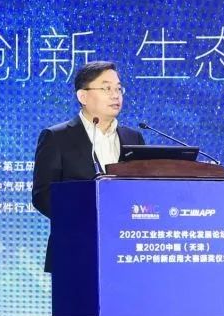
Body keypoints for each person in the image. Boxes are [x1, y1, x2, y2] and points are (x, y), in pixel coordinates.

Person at [31, 60, 145, 272]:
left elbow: (141, 191)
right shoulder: (56, 137)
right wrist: (83, 220)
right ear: (83, 96)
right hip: (75, 250)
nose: (115, 95)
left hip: (126, 250)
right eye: (106, 88)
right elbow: (43, 195)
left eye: (118, 89)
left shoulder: (134, 138)